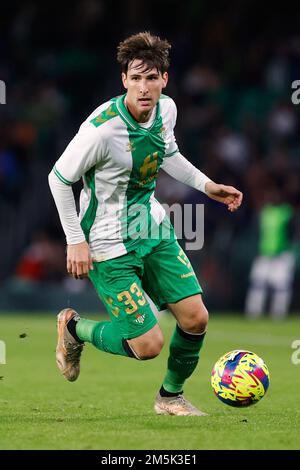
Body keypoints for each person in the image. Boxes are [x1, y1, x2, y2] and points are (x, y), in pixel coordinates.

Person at [49, 32, 243, 416]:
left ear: (164, 80)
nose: (143, 87)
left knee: (196, 317)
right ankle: (74, 329)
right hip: (107, 243)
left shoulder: (167, 110)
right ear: (123, 79)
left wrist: (208, 186)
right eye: (135, 78)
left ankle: (170, 398)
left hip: (151, 227)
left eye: (151, 78)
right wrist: (75, 240)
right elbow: (58, 179)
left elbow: (168, 152)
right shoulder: (101, 130)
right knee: (147, 346)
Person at [245, 187, 295, 319]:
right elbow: (256, 233)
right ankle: (253, 313)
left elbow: (292, 232)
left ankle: (278, 314)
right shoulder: (264, 213)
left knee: (281, 286)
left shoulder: (286, 212)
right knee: (257, 284)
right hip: (264, 254)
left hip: (282, 255)